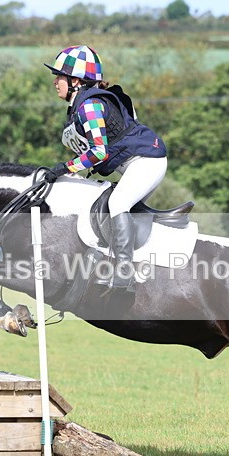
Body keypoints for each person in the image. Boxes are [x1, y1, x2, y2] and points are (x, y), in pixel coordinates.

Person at [44, 45, 167, 292]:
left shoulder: (89, 106)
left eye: (60, 76)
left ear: (76, 80)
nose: (56, 82)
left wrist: (65, 168)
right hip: (135, 163)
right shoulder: (82, 104)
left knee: (118, 204)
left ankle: (124, 272)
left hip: (146, 162)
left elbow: (99, 152)